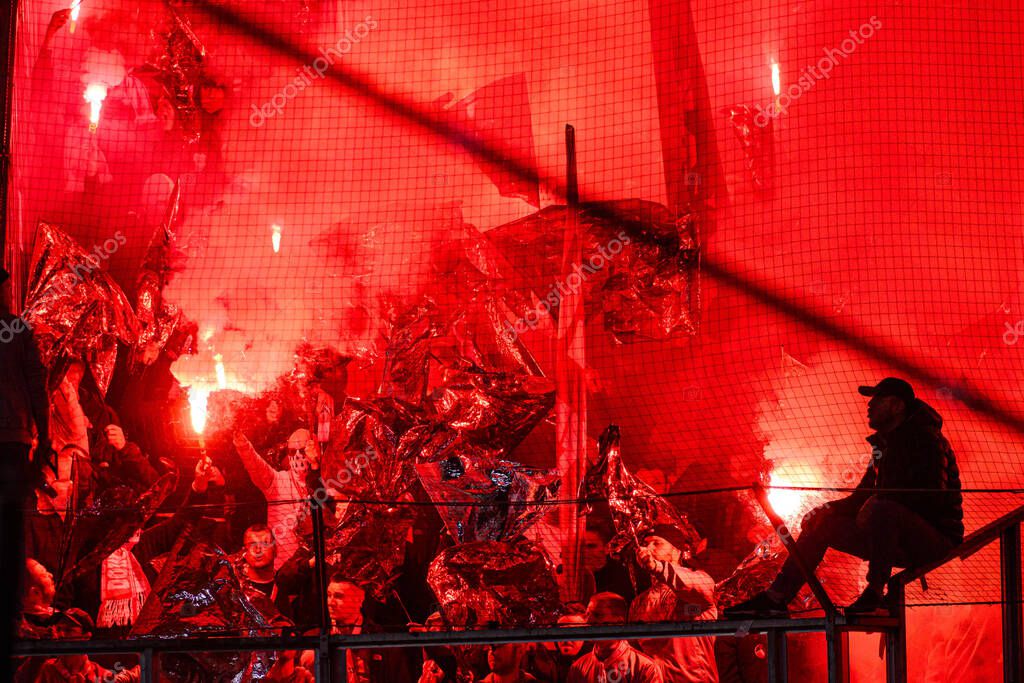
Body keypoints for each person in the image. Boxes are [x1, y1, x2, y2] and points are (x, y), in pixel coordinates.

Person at [726, 378, 964, 617]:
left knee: (884, 509)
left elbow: (932, 499)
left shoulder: (926, 440)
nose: (870, 405)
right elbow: (860, 497)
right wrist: (825, 509)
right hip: (894, 535)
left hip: (934, 541)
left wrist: (879, 504)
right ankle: (776, 598)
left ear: (897, 406)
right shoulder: (885, 446)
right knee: (823, 523)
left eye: (878, 399)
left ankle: (874, 595)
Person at [0, 266, 51, 682]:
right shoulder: (16, 329)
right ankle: (12, 617)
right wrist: (44, 436)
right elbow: (37, 385)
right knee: (12, 530)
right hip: (13, 441)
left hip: (13, 439)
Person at [632, 526, 719, 682]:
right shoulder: (639, 603)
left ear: (676, 551)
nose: (648, 548)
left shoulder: (700, 580)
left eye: (657, 543)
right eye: (646, 544)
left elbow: (693, 586)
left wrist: (657, 567)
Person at [232, 428, 320, 568]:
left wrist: (315, 466)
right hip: (284, 568)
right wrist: (242, 444)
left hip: (317, 567)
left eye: (303, 450)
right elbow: (255, 465)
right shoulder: (278, 481)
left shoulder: (325, 480)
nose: (298, 455)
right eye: (293, 451)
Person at [567, 592, 664, 683]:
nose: (588, 621)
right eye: (587, 614)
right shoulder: (577, 668)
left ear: (618, 622)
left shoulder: (645, 668)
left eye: (597, 615)